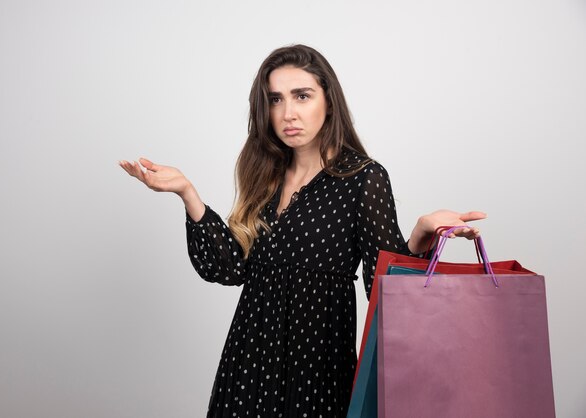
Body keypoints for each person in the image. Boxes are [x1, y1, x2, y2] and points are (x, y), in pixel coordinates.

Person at [119, 44, 485, 417]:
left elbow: (386, 289)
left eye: (302, 96)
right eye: (275, 99)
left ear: (329, 100)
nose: (288, 113)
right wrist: (187, 193)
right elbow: (231, 269)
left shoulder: (362, 178)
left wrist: (421, 233)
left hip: (317, 370)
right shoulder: (266, 175)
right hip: (248, 364)